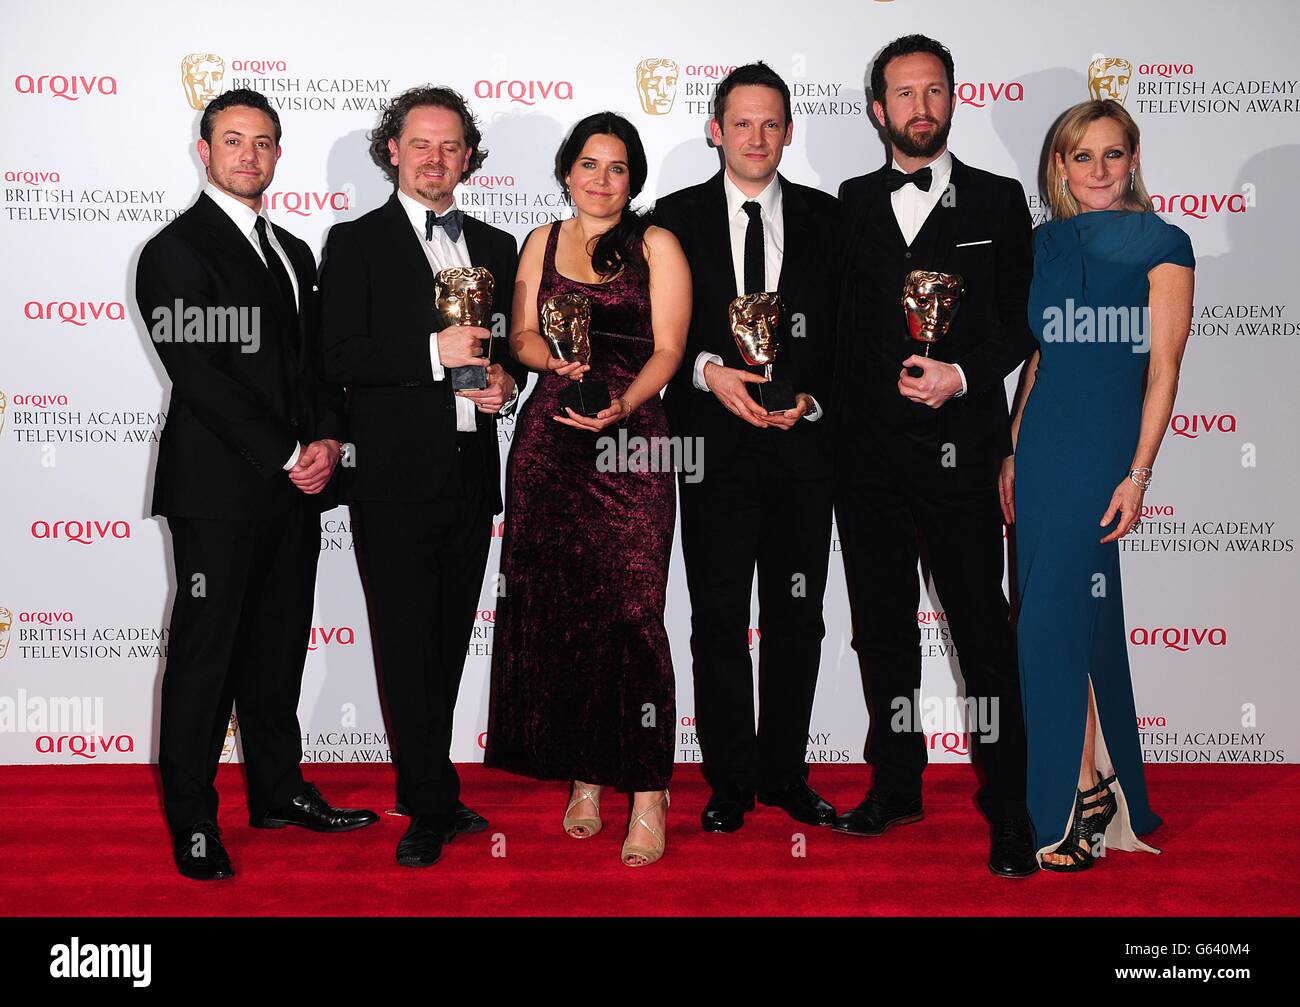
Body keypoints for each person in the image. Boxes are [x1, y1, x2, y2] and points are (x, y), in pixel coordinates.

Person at [136, 88, 378, 882]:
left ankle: (277, 790)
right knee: (209, 656)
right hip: (218, 491)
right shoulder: (176, 250)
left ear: (278, 155)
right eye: (233, 140)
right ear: (204, 152)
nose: (249, 155)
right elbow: (199, 377)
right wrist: (285, 450)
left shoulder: (294, 251)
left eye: (263, 142)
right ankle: (193, 819)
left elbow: (311, 371)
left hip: (293, 489)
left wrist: (329, 440)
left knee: (277, 651)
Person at [834, 35, 1039, 876]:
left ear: (953, 100)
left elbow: (1023, 319)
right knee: (881, 632)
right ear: (878, 109)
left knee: (982, 632)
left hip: (962, 454)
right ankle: (896, 781)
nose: (921, 107)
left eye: (934, 91)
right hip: (868, 460)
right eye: (903, 94)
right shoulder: (845, 202)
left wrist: (961, 372)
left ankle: (1009, 802)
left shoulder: (998, 199)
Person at [320, 86, 522, 868]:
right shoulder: (356, 241)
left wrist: (509, 388)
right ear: (392, 151)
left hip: (473, 472)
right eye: (422, 145)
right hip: (394, 480)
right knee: (405, 643)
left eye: (451, 146)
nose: (437, 158)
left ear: (468, 156)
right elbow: (338, 356)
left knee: (445, 639)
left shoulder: (499, 247)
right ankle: (425, 802)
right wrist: (430, 356)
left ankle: (435, 786)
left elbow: (504, 353)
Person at [484, 112, 690, 867]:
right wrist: (552, 359)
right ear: (566, 170)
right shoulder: (541, 241)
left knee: (634, 614)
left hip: (632, 439)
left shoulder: (656, 243)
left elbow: (670, 347)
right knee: (565, 612)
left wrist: (623, 405)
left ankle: (646, 790)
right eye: (589, 165)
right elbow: (522, 333)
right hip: (550, 441)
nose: (602, 180)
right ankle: (586, 774)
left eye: (618, 168)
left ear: (633, 180)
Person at [1003, 99, 1194, 871]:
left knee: (1049, 623)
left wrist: (1139, 473)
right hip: (1044, 445)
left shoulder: (1164, 242)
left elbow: (1166, 368)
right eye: (1083, 157)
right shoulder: (1042, 243)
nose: (1100, 171)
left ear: (1134, 157)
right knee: (1069, 617)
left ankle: (1070, 795)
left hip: (1103, 451)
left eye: (1113, 154)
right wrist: (1013, 449)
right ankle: (1099, 780)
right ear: (1060, 166)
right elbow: (1040, 357)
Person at [651, 63, 840, 834]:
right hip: (713, 457)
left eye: (770, 124)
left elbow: (848, 337)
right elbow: (662, 332)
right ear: (714, 129)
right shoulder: (672, 218)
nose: (756, 137)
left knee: (799, 621)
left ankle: (786, 774)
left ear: (789, 132)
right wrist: (705, 372)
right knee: (719, 622)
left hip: (802, 459)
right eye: (741, 123)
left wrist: (812, 396)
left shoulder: (832, 221)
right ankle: (729, 780)